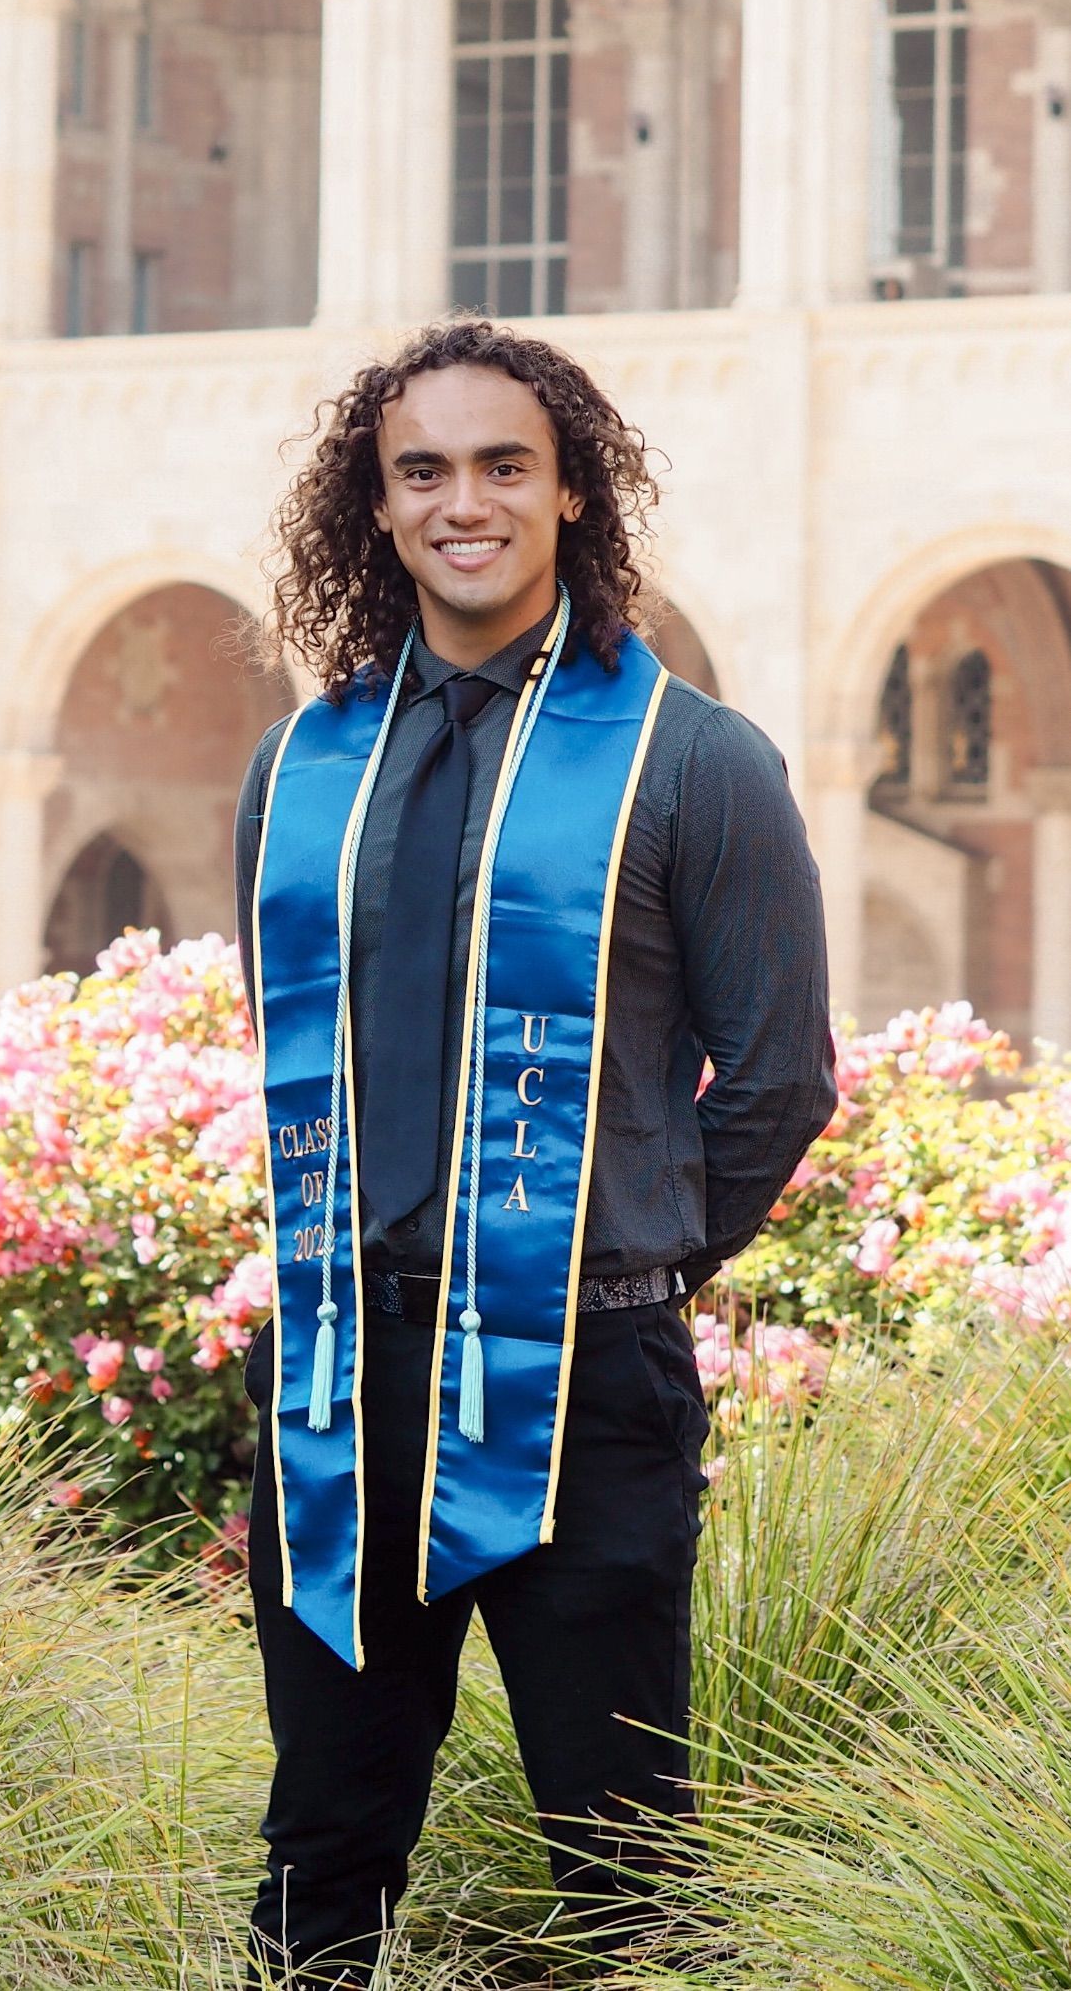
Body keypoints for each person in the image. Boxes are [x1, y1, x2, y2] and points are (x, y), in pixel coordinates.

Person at [233, 316, 837, 1988]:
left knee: (622, 1862)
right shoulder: (301, 769)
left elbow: (776, 1081)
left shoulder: (693, 762)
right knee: (320, 1853)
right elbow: (297, 1046)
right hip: (344, 1377)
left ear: (572, 491)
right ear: (375, 504)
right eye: (421, 471)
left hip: (582, 1381)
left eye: (505, 466)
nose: (463, 503)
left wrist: (620, 1258)